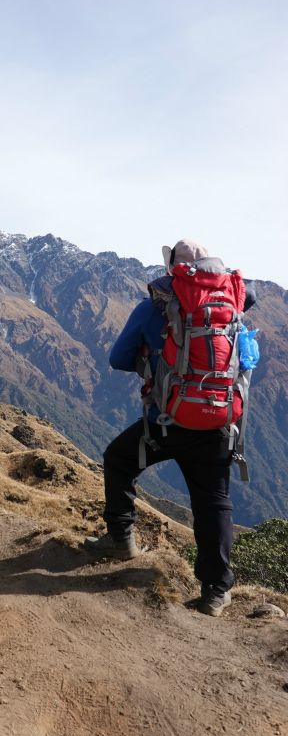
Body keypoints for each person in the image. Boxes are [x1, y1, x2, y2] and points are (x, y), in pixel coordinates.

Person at [85, 239, 257, 617]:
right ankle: (216, 591)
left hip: (167, 422)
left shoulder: (154, 307)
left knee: (119, 459)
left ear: (173, 270)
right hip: (218, 423)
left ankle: (120, 540)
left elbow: (117, 358)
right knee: (213, 502)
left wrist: (156, 367)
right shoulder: (235, 305)